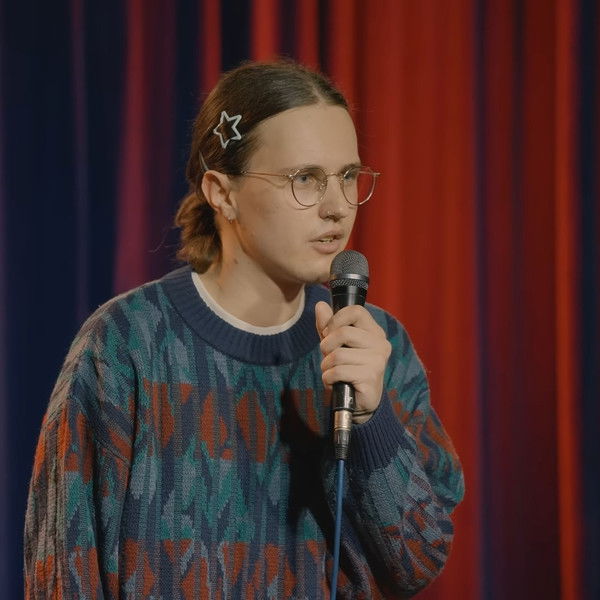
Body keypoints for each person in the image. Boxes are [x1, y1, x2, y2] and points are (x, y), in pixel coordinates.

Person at [24, 60, 464, 599]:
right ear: (221, 192)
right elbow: (63, 566)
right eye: (305, 179)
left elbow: (418, 561)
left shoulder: (374, 345)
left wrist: (372, 422)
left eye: (348, 176)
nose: (337, 208)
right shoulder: (126, 344)